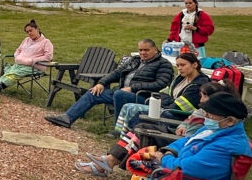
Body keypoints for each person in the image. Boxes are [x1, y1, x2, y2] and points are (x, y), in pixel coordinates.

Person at [77, 80, 227, 176]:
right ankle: (108, 161)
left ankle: (109, 161)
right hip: (178, 138)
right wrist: (183, 125)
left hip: (179, 144)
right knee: (141, 127)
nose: (200, 100)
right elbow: (186, 118)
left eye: (203, 97)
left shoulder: (215, 117)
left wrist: (170, 150)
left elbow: (194, 135)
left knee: (142, 131)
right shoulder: (205, 111)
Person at [133, 91, 252, 180]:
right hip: (188, 175)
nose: (206, 117)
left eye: (210, 114)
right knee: (139, 167)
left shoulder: (227, 145)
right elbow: (186, 141)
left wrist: (164, 158)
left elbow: (185, 168)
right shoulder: (218, 130)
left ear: (230, 120)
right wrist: (169, 151)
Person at [45, 39, 173, 128]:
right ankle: (67, 118)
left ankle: (117, 130)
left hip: (144, 97)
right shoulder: (135, 60)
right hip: (122, 92)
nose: (142, 53)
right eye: (140, 50)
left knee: (119, 94)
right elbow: (116, 73)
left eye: (146, 50)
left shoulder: (163, 64)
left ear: (155, 50)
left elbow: (161, 84)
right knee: (94, 93)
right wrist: (101, 83)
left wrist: (132, 87)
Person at [112, 51, 210, 133]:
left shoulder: (199, 84)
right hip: (166, 108)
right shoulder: (180, 78)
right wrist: (168, 100)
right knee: (127, 106)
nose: (179, 68)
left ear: (195, 64)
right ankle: (120, 133)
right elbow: (162, 93)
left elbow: (178, 106)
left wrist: (164, 101)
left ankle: (130, 136)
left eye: (183, 65)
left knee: (136, 110)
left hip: (176, 115)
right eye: (178, 65)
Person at [0, 20, 54, 98]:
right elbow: (18, 50)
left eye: (31, 30)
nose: (29, 33)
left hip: (35, 66)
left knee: (17, 72)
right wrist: (17, 57)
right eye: (27, 32)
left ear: (37, 29)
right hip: (20, 63)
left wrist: (32, 60)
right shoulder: (26, 40)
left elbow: (48, 56)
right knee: (11, 70)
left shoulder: (46, 42)